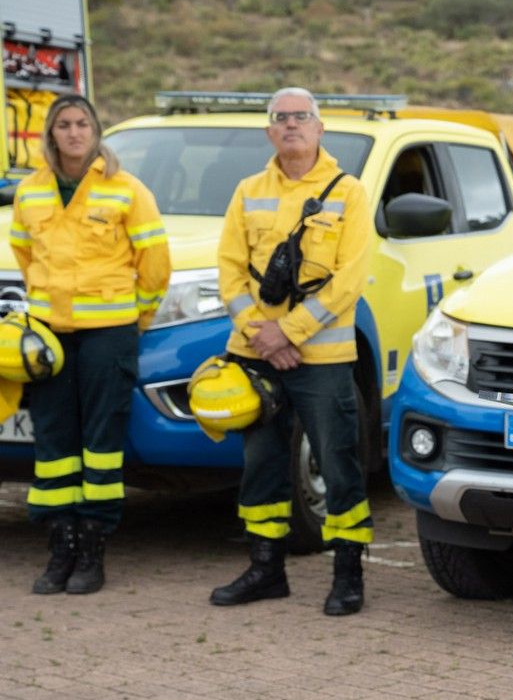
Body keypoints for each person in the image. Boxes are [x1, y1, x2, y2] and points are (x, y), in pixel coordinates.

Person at [209, 87, 372, 616]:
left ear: (320, 128)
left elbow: (351, 278)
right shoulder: (248, 190)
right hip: (254, 355)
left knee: (338, 461)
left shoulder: (348, 192)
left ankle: (347, 575)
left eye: (302, 117)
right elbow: (230, 271)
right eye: (281, 118)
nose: (291, 125)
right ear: (269, 132)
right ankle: (266, 569)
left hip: (321, 360)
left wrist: (291, 331)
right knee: (261, 462)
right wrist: (258, 331)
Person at [10, 93, 171, 594]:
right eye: (65, 124)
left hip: (109, 334)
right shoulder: (30, 192)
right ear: (51, 134)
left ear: (95, 131)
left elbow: (155, 263)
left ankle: (93, 546)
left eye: (83, 123)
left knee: (101, 442)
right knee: (54, 439)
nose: (75, 132)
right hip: (50, 338)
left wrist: (135, 317)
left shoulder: (126, 189)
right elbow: (23, 252)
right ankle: (60, 547)